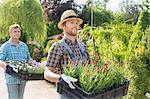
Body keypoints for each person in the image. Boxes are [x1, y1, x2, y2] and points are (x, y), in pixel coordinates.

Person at [44, 9, 90, 99]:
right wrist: (61, 78)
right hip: (67, 94)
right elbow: (47, 73)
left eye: (76, 23)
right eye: (71, 23)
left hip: (84, 94)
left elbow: (90, 68)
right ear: (64, 26)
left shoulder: (83, 47)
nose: (75, 25)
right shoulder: (58, 47)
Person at [0, 24, 32, 99]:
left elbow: (29, 59)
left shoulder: (24, 46)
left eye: (18, 31)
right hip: (11, 77)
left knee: (20, 97)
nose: (17, 33)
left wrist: (37, 65)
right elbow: (0, 60)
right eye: (15, 31)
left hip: (23, 76)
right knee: (13, 97)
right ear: (10, 33)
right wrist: (6, 66)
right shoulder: (5, 46)